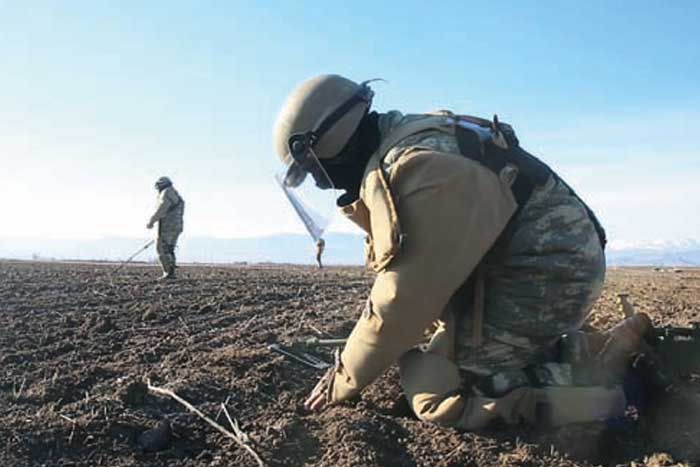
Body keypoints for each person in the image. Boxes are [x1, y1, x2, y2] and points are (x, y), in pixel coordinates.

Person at [272, 74, 643, 430]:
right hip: (540, 267)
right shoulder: (409, 142)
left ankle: (617, 396)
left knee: (437, 392)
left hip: (545, 278)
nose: (322, 185)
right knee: (441, 347)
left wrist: (342, 380)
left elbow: (402, 301)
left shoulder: (417, 167)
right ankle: (587, 349)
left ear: (334, 145)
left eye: (315, 171)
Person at [147, 176, 185, 280]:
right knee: (169, 248)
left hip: (167, 226)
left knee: (162, 248)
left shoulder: (166, 193)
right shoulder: (175, 194)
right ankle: (171, 271)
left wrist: (151, 221)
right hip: (177, 226)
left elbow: (162, 209)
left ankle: (168, 272)